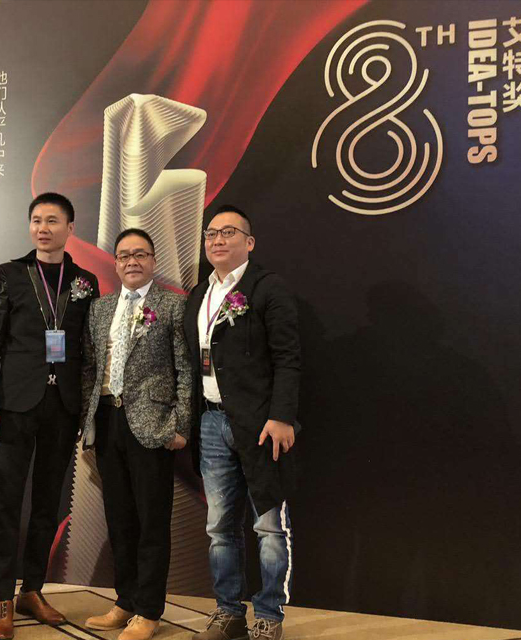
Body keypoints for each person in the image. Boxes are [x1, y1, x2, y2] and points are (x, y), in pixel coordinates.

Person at [0, 192, 101, 640]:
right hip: (14, 404)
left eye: (52, 220)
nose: (43, 228)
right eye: (36, 220)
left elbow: (88, 350)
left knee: (48, 502)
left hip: (62, 406)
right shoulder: (9, 274)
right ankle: (2, 599)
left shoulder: (85, 280)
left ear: (70, 228)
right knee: (6, 502)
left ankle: (32, 589)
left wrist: (86, 411)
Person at [183, 205, 301, 640]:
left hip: (260, 426)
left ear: (249, 242)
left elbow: (288, 357)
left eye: (228, 232)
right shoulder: (198, 294)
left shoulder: (268, 287)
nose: (217, 240)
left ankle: (269, 615)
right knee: (219, 526)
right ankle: (228, 612)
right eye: (211, 233)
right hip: (211, 422)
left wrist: (281, 416)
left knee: (268, 525)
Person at [79, 228, 193, 640]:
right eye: (124, 255)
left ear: (153, 261)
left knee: (151, 522)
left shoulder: (173, 305)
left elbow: (186, 369)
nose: (132, 261)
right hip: (107, 421)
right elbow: (90, 368)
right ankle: (125, 601)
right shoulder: (100, 308)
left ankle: (149, 610)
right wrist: (87, 421)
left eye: (140, 254)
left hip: (153, 426)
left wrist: (181, 425)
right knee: (119, 519)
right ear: (115, 263)